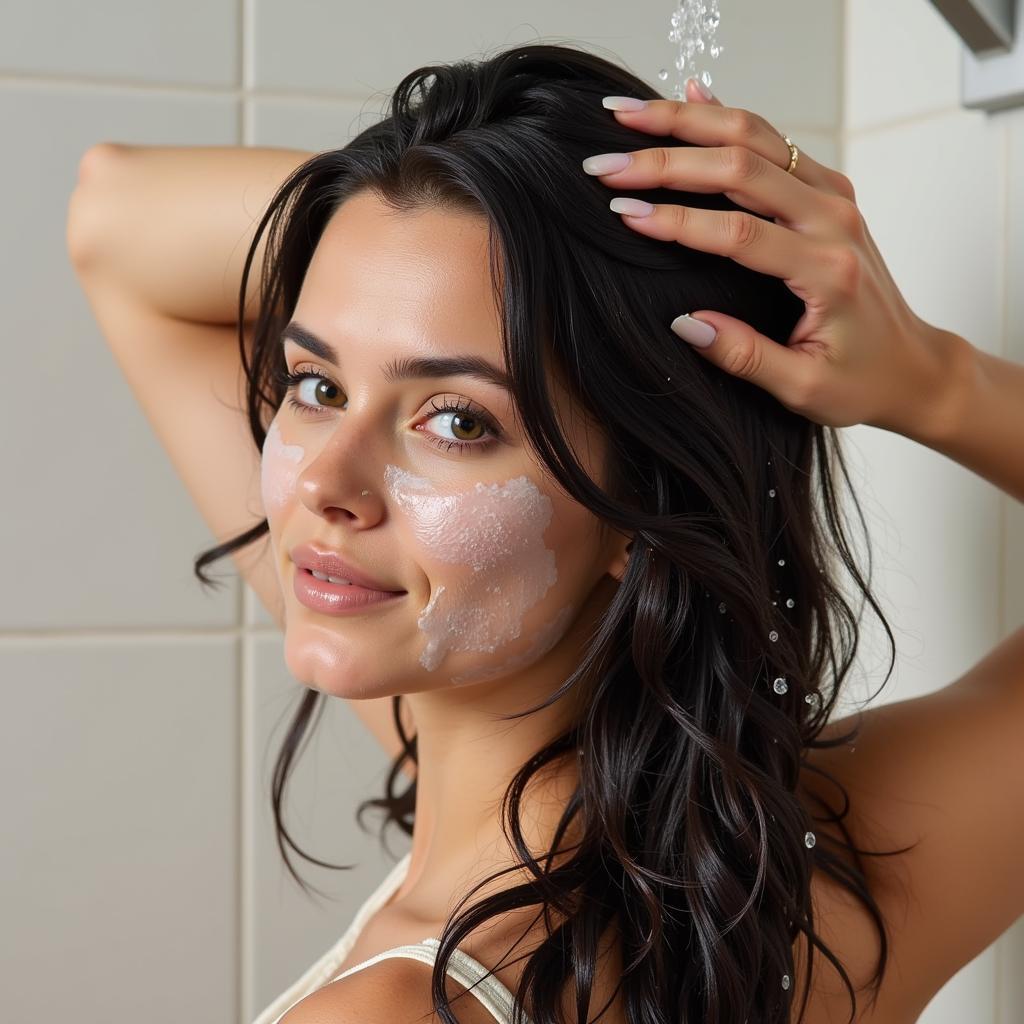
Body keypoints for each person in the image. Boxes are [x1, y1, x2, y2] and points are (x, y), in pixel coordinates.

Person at [66, 43, 1024, 1024]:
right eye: (317, 385)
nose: (323, 483)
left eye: (456, 420)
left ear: (638, 515)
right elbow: (108, 213)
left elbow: (113, 218)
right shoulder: (816, 899)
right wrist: (932, 380)